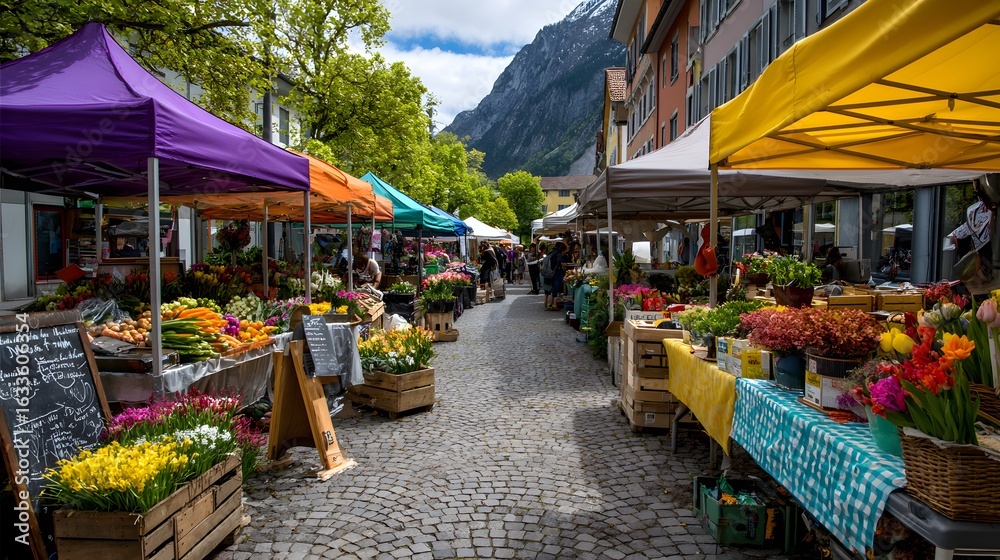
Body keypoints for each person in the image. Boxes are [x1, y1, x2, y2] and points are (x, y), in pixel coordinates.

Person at [545, 242, 567, 311]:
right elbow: (559, 263)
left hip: (550, 272)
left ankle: (549, 305)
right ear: (562, 250)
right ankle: (553, 305)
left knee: (552, 289)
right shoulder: (558, 254)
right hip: (556, 273)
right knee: (555, 288)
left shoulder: (552, 252)